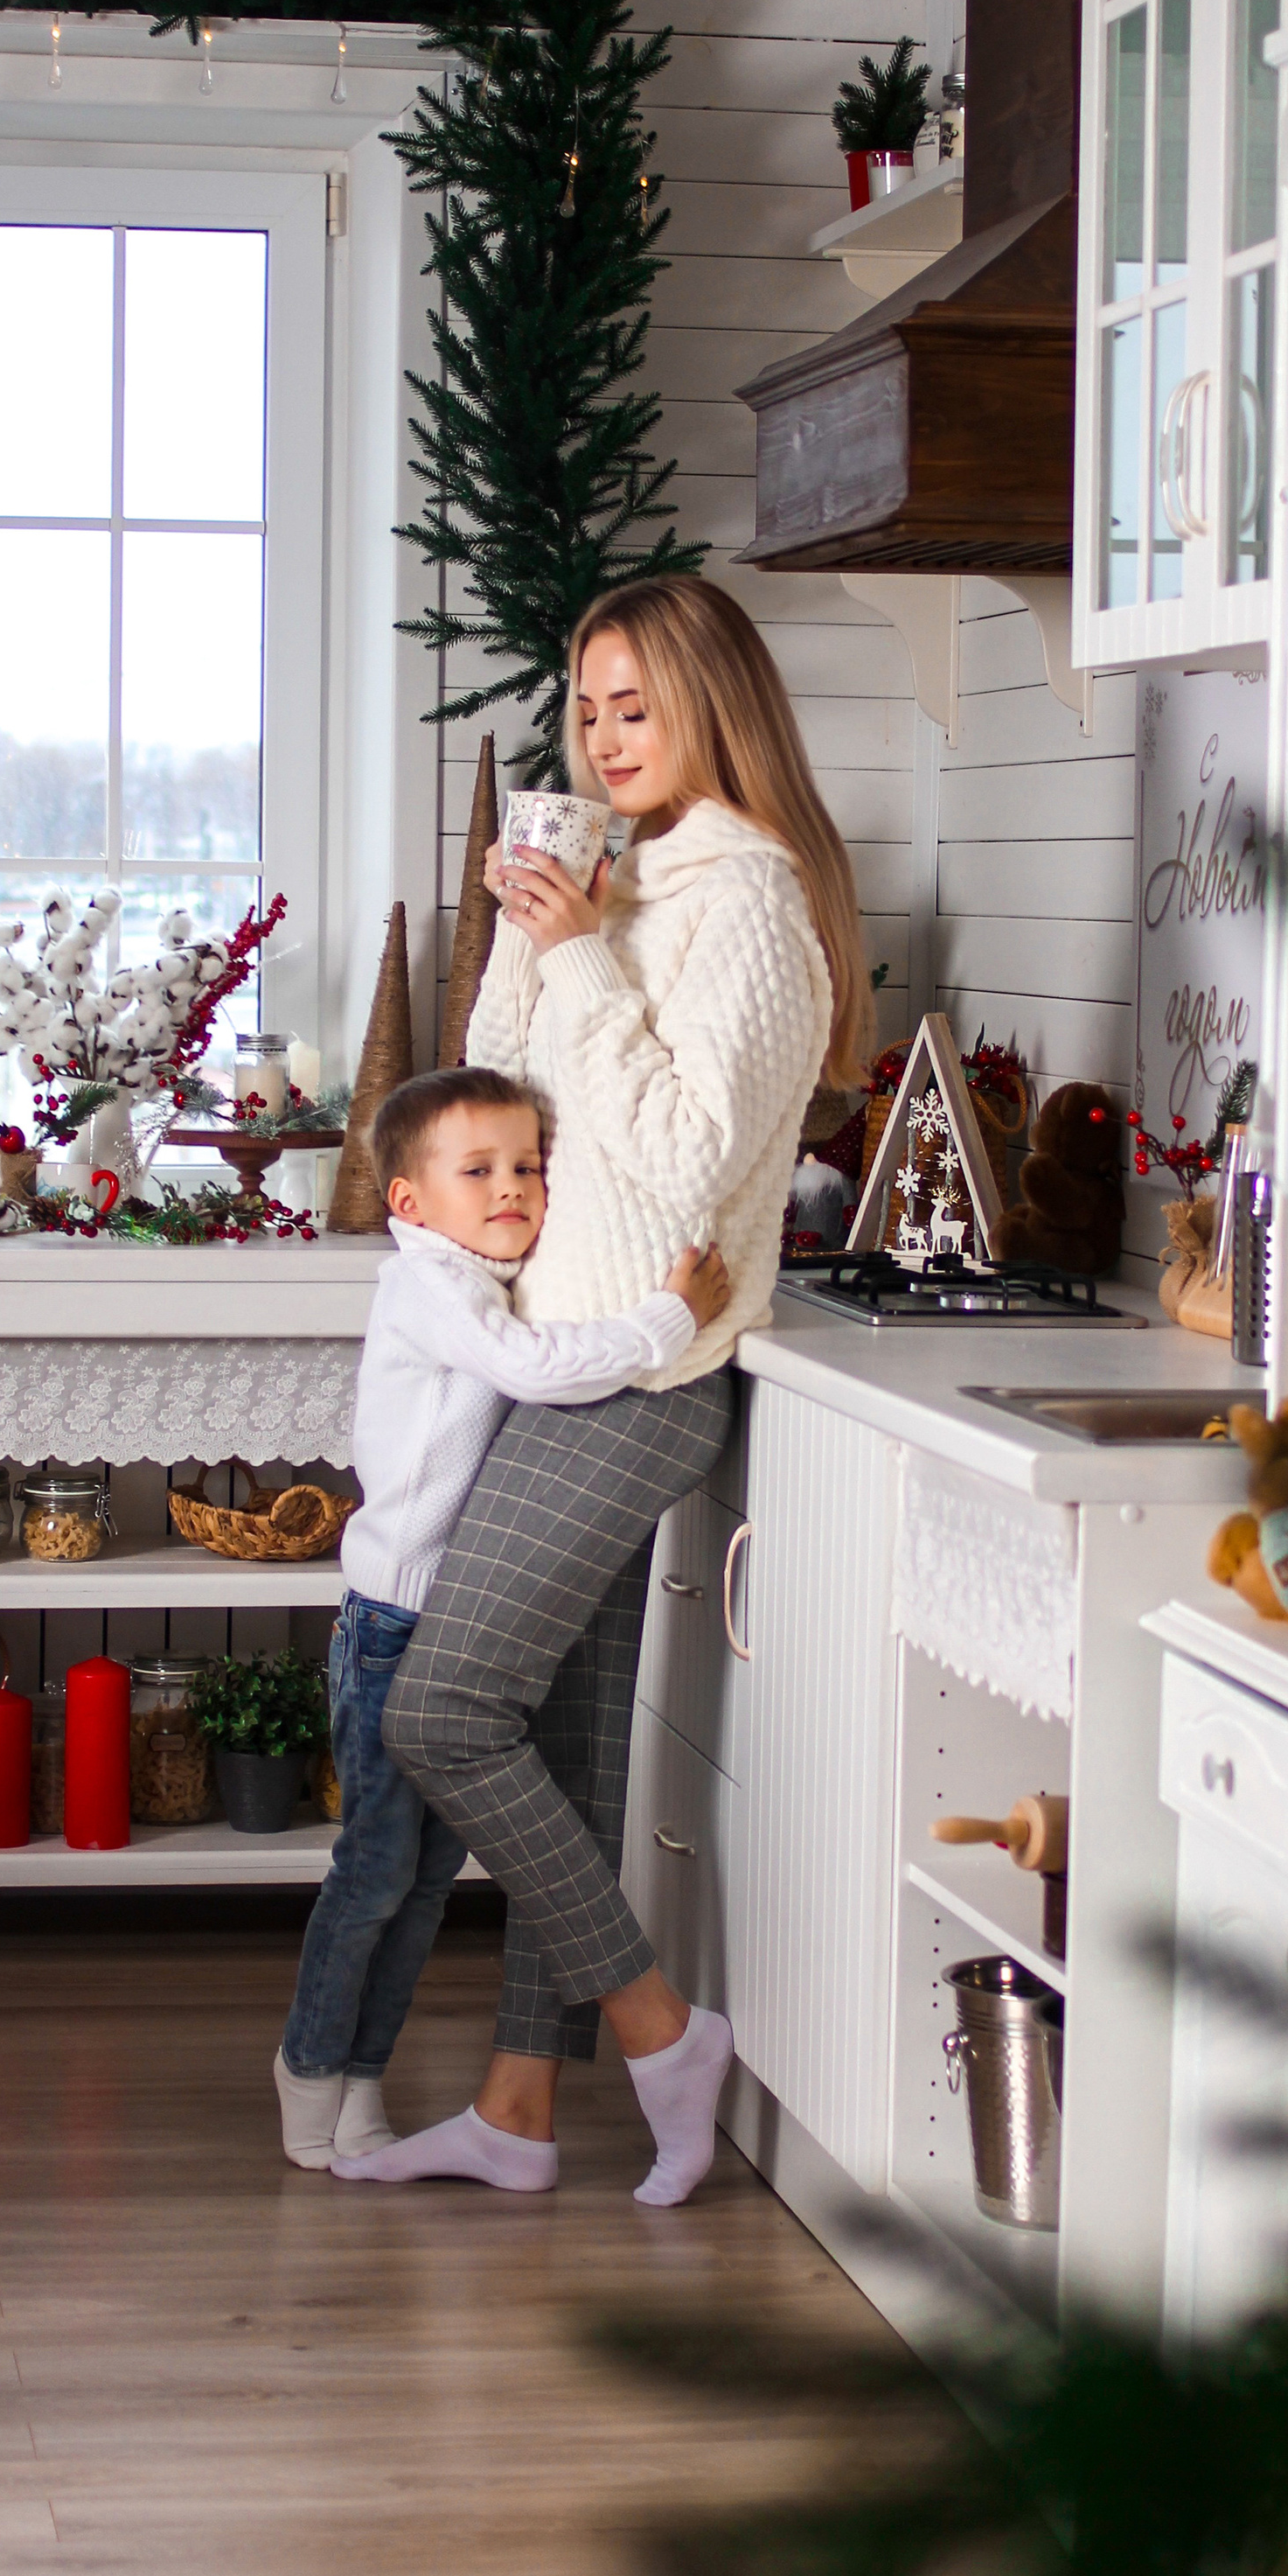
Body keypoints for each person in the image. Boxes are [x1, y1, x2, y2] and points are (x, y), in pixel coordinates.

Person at [335, 575, 874, 2209]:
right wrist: (531, 932)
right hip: (565, 1356)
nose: (606, 736)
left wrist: (581, 957)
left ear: (712, 704)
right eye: (588, 708)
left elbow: (691, 1157)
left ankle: (659, 2028)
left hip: (643, 1375)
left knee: (441, 1709)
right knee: (563, 1748)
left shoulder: (751, 899)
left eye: (636, 705)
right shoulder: (624, 884)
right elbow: (512, 1101)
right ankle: (516, 2110)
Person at [275, 1065, 729, 2172]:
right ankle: (308, 2068)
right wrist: (667, 1317)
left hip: (431, 1618)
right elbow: (536, 1368)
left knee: (423, 1886)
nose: (512, 1188)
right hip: (388, 1623)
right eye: (477, 1171)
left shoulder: (482, 1269)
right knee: (374, 1875)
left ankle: (362, 2080)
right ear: (409, 1202)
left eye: (527, 1165)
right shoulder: (431, 1284)